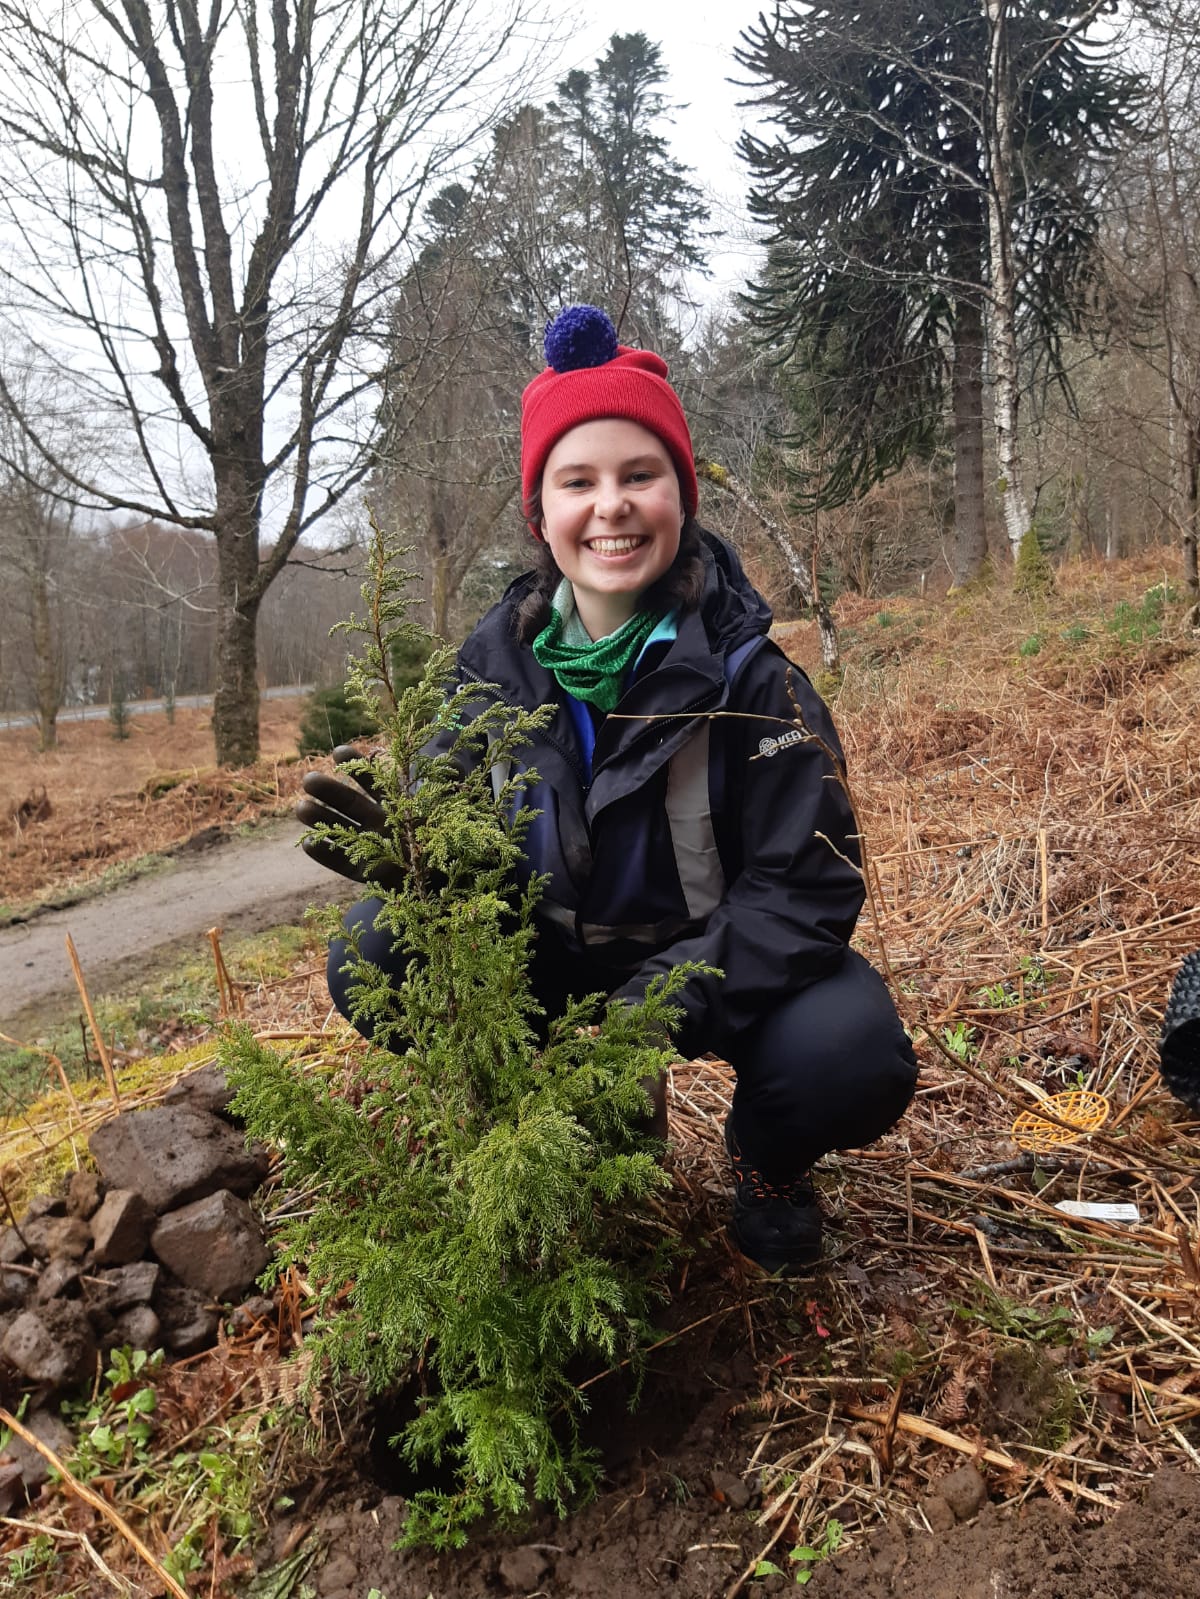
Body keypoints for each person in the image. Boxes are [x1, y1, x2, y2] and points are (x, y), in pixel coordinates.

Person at [298, 304, 918, 1276]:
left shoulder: (755, 682)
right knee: (371, 949)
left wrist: (655, 1009)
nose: (613, 505)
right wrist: (416, 870)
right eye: (577, 481)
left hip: (704, 972)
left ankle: (766, 1162)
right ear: (540, 514)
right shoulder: (485, 676)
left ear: (683, 495)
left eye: (641, 475)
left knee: (851, 1052)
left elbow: (811, 889)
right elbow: (458, 850)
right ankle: (564, 1123)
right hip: (557, 963)